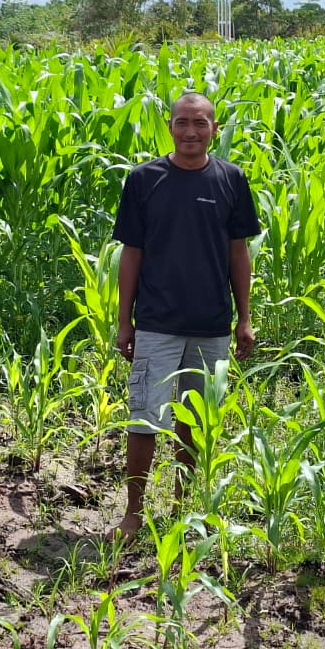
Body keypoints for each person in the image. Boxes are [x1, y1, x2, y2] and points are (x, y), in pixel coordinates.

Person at [110, 92, 262, 543]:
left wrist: (244, 318)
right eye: (182, 122)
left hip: (211, 323)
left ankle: (183, 509)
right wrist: (125, 321)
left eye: (200, 123)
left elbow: (240, 254)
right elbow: (131, 255)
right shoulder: (144, 180)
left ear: (215, 128)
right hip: (156, 321)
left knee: (193, 422)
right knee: (144, 418)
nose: (191, 131)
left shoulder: (231, 180)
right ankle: (133, 513)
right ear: (169, 126)